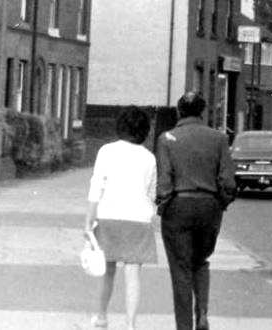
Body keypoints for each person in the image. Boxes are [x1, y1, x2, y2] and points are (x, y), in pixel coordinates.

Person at [156, 92, 236, 330]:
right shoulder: (219, 138)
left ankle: (184, 327)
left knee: (181, 270)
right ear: (202, 112)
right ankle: (202, 313)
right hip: (209, 206)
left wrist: (162, 203)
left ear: (179, 111)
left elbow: (164, 181)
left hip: (178, 206)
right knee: (201, 261)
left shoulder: (167, 138)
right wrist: (220, 202)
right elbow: (228, 181)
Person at [85, 106, 157, 330]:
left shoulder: (106, 151)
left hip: (109, 216)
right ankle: (130, 324)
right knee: (133, 274)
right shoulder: (149, 157)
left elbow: (96, 187)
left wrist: (89, 220)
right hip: (138, 219)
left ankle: (102, 317)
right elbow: (152, 193)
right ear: (144, 130)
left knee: (106, 272)